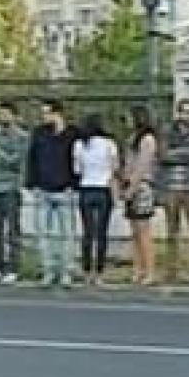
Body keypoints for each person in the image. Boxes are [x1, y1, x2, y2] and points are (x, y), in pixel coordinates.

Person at [26, 99, 78, 289]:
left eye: (47, 113)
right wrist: (32, 183)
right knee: (43, 234)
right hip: (43, 189)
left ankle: (66, 271)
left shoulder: (72, 134)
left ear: (58, 113)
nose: (44, 117)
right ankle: (48, 270)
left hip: (65, 189)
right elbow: (32, 157)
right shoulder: (39, 133)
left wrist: (74, 184)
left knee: (67, 234)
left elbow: (77, 160)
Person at [159, 98, 189, 284]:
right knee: (172, 231)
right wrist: (187, 153)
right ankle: (172, 270)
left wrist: (177, 153)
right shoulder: (167, 131)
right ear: (178, 113)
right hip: (171, 187)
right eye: (186, 112)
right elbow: (163, 155)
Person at [73, 113, 120, 287]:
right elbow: (115, 168)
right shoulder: (109, 144)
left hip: (86, 188)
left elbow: (77, 169)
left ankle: (86, 271)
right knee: (101, 233)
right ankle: (99, 273)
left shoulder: (79, 144)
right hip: (103, 189)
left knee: (87, 232)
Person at [0, 101, 29, 285]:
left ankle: (13, 268)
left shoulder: (21, 137)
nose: (1, 117)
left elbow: (17, 161)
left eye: (4, 114)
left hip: (10, 187)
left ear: (13, 115)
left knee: (12, 230)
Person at [122, 105, 159, 286]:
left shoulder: (148, 140)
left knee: (144, 231)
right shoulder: (132, 139)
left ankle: (150, 271)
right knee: (134, 232)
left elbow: (142, 165)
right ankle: (138, 269)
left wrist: (132, 187)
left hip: (143, 186)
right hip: (130, 184)